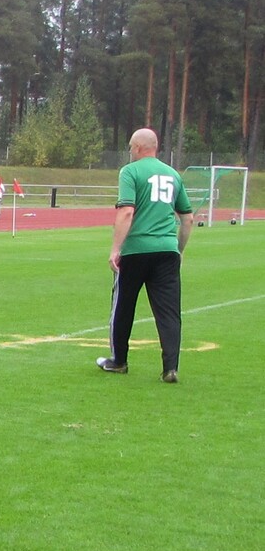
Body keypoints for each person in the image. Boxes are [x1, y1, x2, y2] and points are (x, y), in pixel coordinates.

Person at [97, 128, 194, 383]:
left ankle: (119, 361)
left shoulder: (130, 172)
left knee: (123, 306)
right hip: (167, 250)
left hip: (136, 250)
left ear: (139, 148)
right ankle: (170, 368)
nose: (130, 151)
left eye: (131, 146)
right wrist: (179, 250)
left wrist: (115, 249)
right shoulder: (173, 174)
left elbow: (127, 211)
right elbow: (187, 218)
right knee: (169, 312)